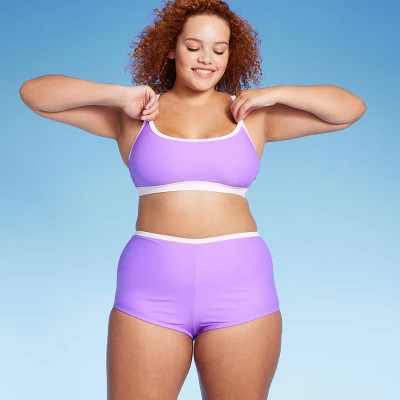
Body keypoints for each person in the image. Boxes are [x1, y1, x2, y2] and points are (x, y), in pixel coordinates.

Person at [19, 0, 366, 399]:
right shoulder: (135, 114)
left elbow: (349, 109)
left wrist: (273, 94)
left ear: (231, 55)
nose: (206, 59)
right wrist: (118, 95)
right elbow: (34, 94)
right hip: (150, 291)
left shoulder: (251, 115)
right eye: (193, 47)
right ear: (171, 48)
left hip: (241, 291)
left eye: (219, 49)